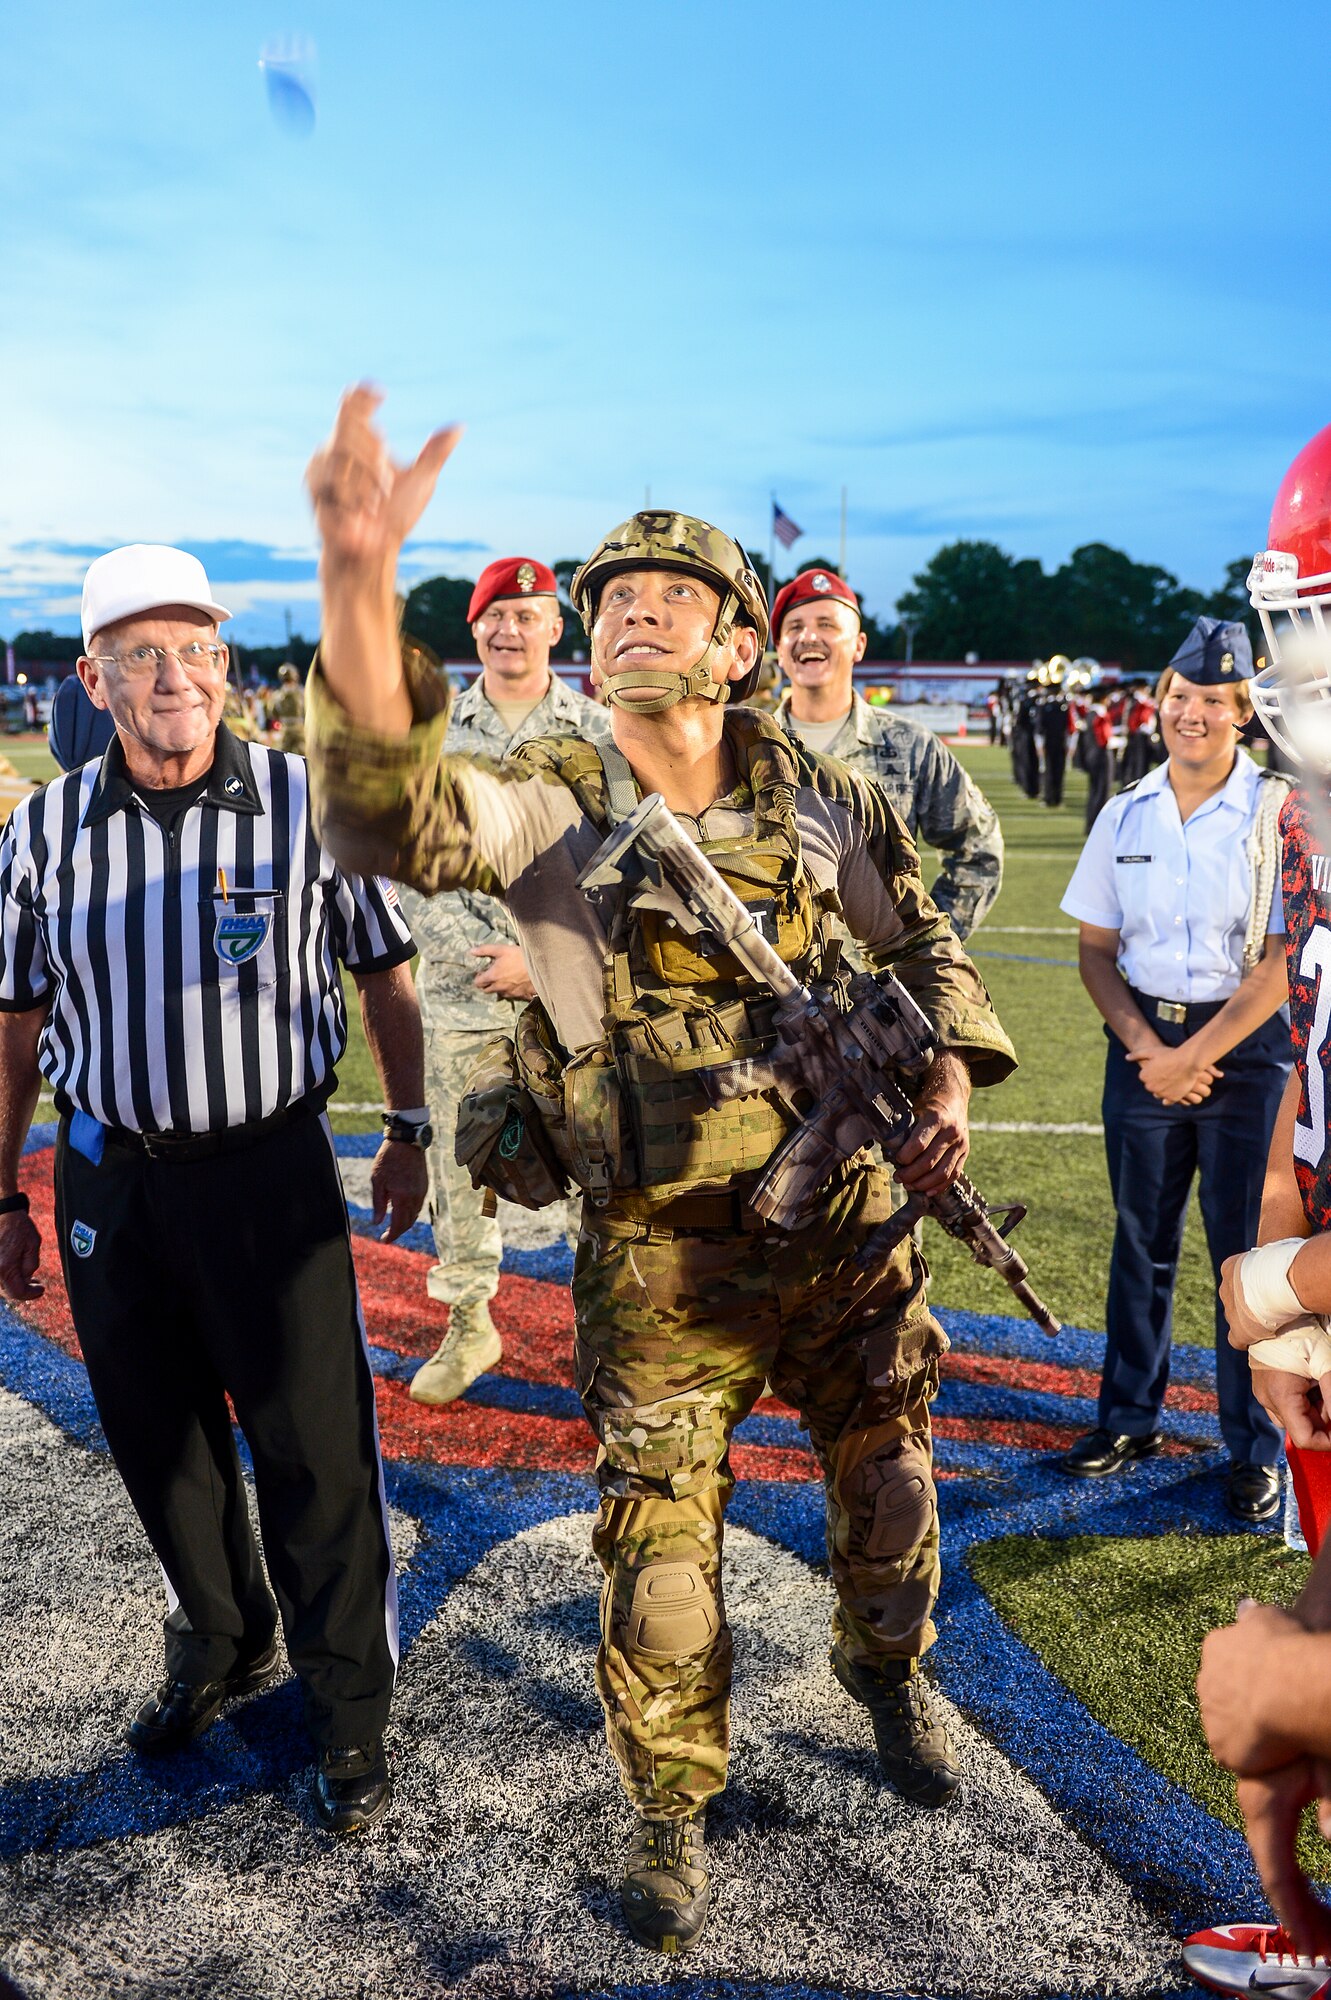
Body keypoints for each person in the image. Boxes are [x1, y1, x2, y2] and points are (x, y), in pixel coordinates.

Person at [302, 388, 1018, 1955]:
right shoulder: (557, 801)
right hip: (662, 1264)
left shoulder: (825, 794)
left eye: (669, 597)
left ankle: (884, 1679)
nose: (631, 615)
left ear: (738, 644)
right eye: (612, 597)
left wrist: (949, 1074)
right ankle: (668, 1807)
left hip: (846, 1239)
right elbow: (382, 810)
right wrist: (360, 582)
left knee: (890, 1498)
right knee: (662, 1569)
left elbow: (925, 945)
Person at [0, 544, 429, 1835]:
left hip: (268, 1170)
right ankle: (224, 1638)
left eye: (194, 648)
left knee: (315, 1450)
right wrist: (1, 1199)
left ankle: (348, 1713)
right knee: (158, 1440)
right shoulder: (42, 829)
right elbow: (14, 1027)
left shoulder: (308, 803)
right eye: (140, 654)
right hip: (109, 1178)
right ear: (94, 679)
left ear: (225, 667)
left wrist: (404, 1127)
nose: (173, 674)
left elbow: (385, 977)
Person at [1056, 615, 1291, 1520]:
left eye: (1213, 702)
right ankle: (1128, 1418)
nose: (1191, 714)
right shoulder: (1124, 811)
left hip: (1246, 1058)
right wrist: (1149, 1050)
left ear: (1242, 715)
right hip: (1143, 1054)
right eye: (1179, 696)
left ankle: (1253, 1443)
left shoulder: (1277, 813)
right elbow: (1093, 950)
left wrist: (1193, 1056)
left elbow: (1279, 958)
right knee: (1140, 1245)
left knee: (1248, 1255)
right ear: (1159, 702)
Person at [404, 557, 609, 1404]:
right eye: (495, 616)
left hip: (577, 1000)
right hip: (464, 991)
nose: (510, 630)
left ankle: (606, 1335)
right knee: (461, 1172)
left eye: (527, 614)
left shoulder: (599, 731)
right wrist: (483, 960)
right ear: (475, 628)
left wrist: (546, 964)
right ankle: (467, 1324)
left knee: (600, 1166)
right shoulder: (434, 734)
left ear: (555, 628)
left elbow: (624, 867)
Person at [771, 567, 1003, 939]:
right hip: (773, 991)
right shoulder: (745, 748)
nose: (809, 636)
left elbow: (978, 850)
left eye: (827, 624)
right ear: (779, 649)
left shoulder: (911, 746)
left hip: (879, 988)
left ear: (858, 645)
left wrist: (924, 946)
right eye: (794, 627)